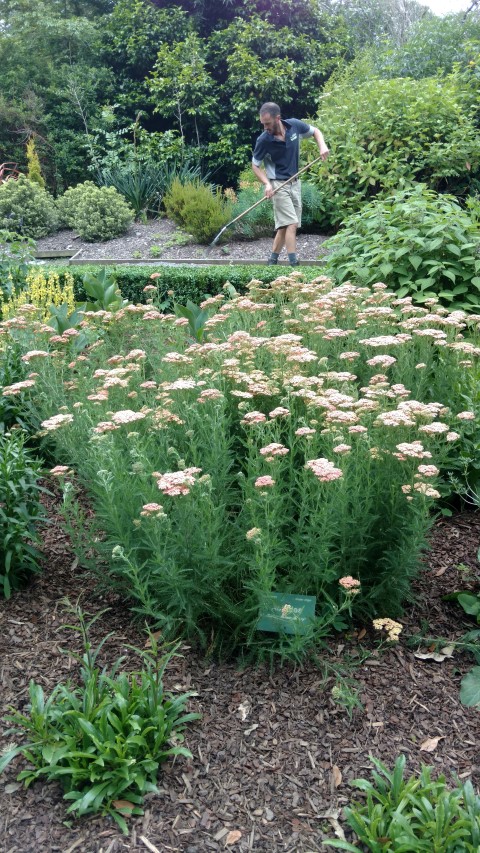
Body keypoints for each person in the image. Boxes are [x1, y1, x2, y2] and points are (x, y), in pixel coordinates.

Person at [251, 102, 329, 266]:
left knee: (285, 226)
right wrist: (267, 184)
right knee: (291, 224)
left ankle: (272, 260)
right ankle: (294, 264)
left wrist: (322, 146)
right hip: (278, 185)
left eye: (268, 123)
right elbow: (255, 166)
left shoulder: (294, 126)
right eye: (263, 124)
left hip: (295, 183)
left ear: (277, 118)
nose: (265, 127)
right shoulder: (263, 140)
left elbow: (316, 132)